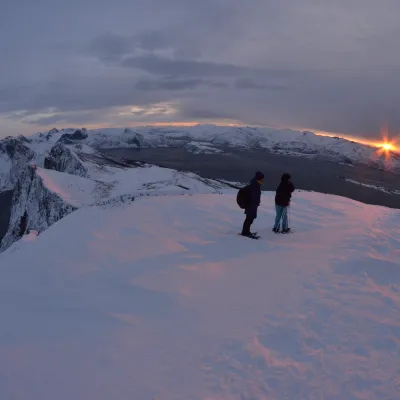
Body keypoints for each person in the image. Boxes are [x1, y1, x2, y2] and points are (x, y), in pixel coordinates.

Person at [241, 171, 264, 238]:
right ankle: (245, 232)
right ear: (259, 178)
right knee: (249, 219)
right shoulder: (255, 185)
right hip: (251, 205)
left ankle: (246, 231)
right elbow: (254, 196)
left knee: (249, 218)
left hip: (251, 205)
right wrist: (255, 203)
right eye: (262, 178)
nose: (263, 179)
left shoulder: (255, 184)